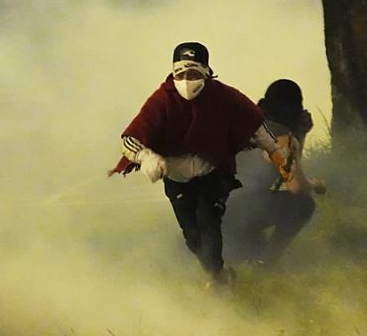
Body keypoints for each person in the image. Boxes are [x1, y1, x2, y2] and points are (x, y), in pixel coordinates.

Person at [110, 42, 291, 288]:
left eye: (194, 73)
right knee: (192, 237)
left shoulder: (224, 97)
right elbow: (130, 139)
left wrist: (276, 154)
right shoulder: (162, 101)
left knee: (209, 224)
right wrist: (146, 157)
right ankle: (218, 273)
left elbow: (255, 126)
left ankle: (217, 282)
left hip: (213, 172)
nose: (186, 80)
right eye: (180, 74)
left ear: (207, 72)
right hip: (176, 177)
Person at [223, 79, 325, 266]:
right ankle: (268, 264)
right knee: (304, 204)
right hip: (237, 215)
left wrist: (298, 136)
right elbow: (295, 186)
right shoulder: (279, 135)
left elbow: (282, 175)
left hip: (218, 213)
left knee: (248, 251)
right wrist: (315, 184)